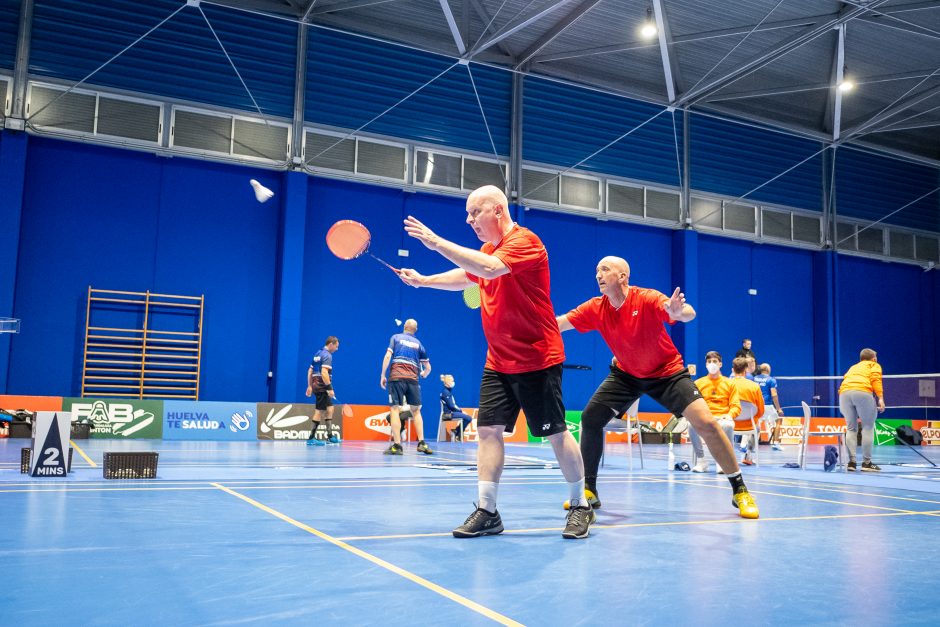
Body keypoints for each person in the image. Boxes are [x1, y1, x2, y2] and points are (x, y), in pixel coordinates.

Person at [399, 184, 594, 539]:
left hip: (537, 356)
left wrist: (436, 242)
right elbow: (468, 275)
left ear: (497, 211)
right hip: (499, 360)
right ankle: (487, 510)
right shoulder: (489, 249)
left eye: (475, 212)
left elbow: (488, 270)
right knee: (487, 431)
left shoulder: (525, 243)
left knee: (555, 433)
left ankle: (580, 505)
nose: (469, 219)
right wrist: (425, 281)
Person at [557, 257, 759, 519]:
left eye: (605, 269)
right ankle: (589, 489)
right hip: (626, 374)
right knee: (591, 419)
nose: (598, 274)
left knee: (707, 423)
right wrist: (530, 326)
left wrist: (676, 312)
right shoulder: (596, 308)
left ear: (623, 277)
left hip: (667, 373)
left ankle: (740, 490)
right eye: (596, 270)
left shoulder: (646, 298)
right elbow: (560, 323)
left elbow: (687, 313)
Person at [380, 319, 433, 455]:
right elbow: (428, 367)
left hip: (396, 378)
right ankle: (421, 443)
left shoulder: (396, 338)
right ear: (415, 330)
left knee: (394, 410)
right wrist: (423, 374)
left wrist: (382, 375)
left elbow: (387, 356)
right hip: (413, 379)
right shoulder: (418, 344)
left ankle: (397, 445)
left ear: (404, 327)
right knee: (416, 411)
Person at [689, 351, 741, 476]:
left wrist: (729, 415)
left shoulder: (730, 383)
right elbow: (693, 404)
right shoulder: (698, 383)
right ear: (706, 364)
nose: (712, 364)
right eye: (709, 362)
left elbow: (736, 406)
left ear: (720, 364)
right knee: (691, 425)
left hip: (723, 417)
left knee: (728, 425)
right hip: (705, 418)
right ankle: (701, 461)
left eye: (715, 361)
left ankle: (723, 462)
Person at [839, 348, 885, 472]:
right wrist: (880, 398)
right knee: (868, 428)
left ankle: (852, 463)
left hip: (844, 394)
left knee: (851, 428)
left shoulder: (853, 367)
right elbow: (876, 380)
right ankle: (867, 463)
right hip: (862, 392)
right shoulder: (874, 365)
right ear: (874, 358)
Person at [728, 357, 765, 465]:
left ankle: (727, 457)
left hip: (730, 424)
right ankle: (748, 455)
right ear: (746, 370)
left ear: (733, 370)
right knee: (757, 428)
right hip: (749, 425)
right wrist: (753, 419)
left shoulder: (726, 384)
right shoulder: (754, 386)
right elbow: (760, 411)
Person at [305, 336, 341, 445]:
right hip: (322, 386)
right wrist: (329, 388)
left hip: (316, 384)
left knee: (330, 408)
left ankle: (329, 436)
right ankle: (311, 438)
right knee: (319, 411)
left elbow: (310, 370)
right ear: (331, 344)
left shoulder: (318, 353)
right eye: (336, 346)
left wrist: (310, 386)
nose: (337, 349)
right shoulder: (327, 355)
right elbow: (324, 373)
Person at [754, 362, 784, 451]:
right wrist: (778, 408)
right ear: (767, 370)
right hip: (767, 406)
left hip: (756, 406)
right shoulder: (771, 380)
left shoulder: (754, 379)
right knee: (778, 420)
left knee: (755, 425)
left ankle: (751, 445)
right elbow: (774, 394)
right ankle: (776, 443)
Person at [440, 374, 473, 441]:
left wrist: (460, 411)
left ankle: (456, 431)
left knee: (467, 418)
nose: (453, 382)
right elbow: (452, 406)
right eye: (452, 381)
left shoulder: (447, 392)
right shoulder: (446, 392)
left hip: (451, 413)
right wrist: (461, 411)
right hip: (447, 414)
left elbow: (453, 405)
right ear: (448, 383)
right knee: (468, 418)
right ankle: (457, 432)